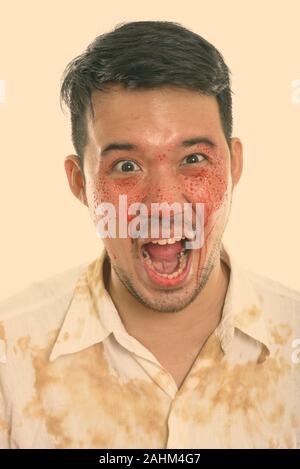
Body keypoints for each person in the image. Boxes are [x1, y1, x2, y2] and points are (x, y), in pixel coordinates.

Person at [0, 20, 299, 449]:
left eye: (193, 158)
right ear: (79, 183)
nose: (164, 205)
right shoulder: (10, 359)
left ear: (234, 166)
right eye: (126, 166)